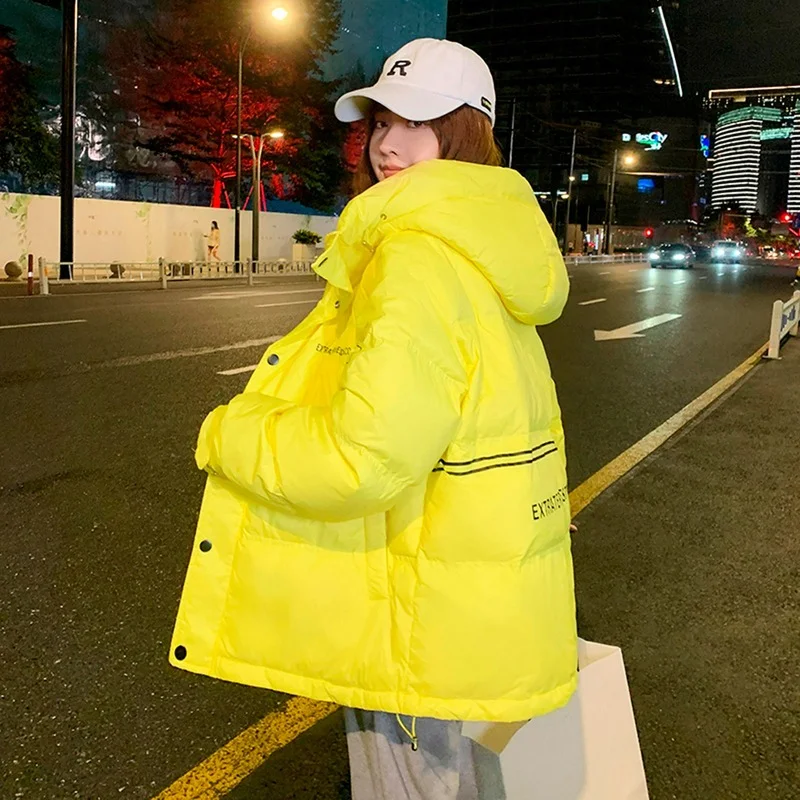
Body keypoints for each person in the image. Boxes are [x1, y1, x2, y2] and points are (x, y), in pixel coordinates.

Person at [169, 38, 577, 799]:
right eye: (382, 120)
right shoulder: (483, 241)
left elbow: (361, 458)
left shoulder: (417, 252)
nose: (389, 143)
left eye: (417, 122)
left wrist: (227, 434)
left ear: (465, 132)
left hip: (412, 597)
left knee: (409, 780)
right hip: (454, 576)